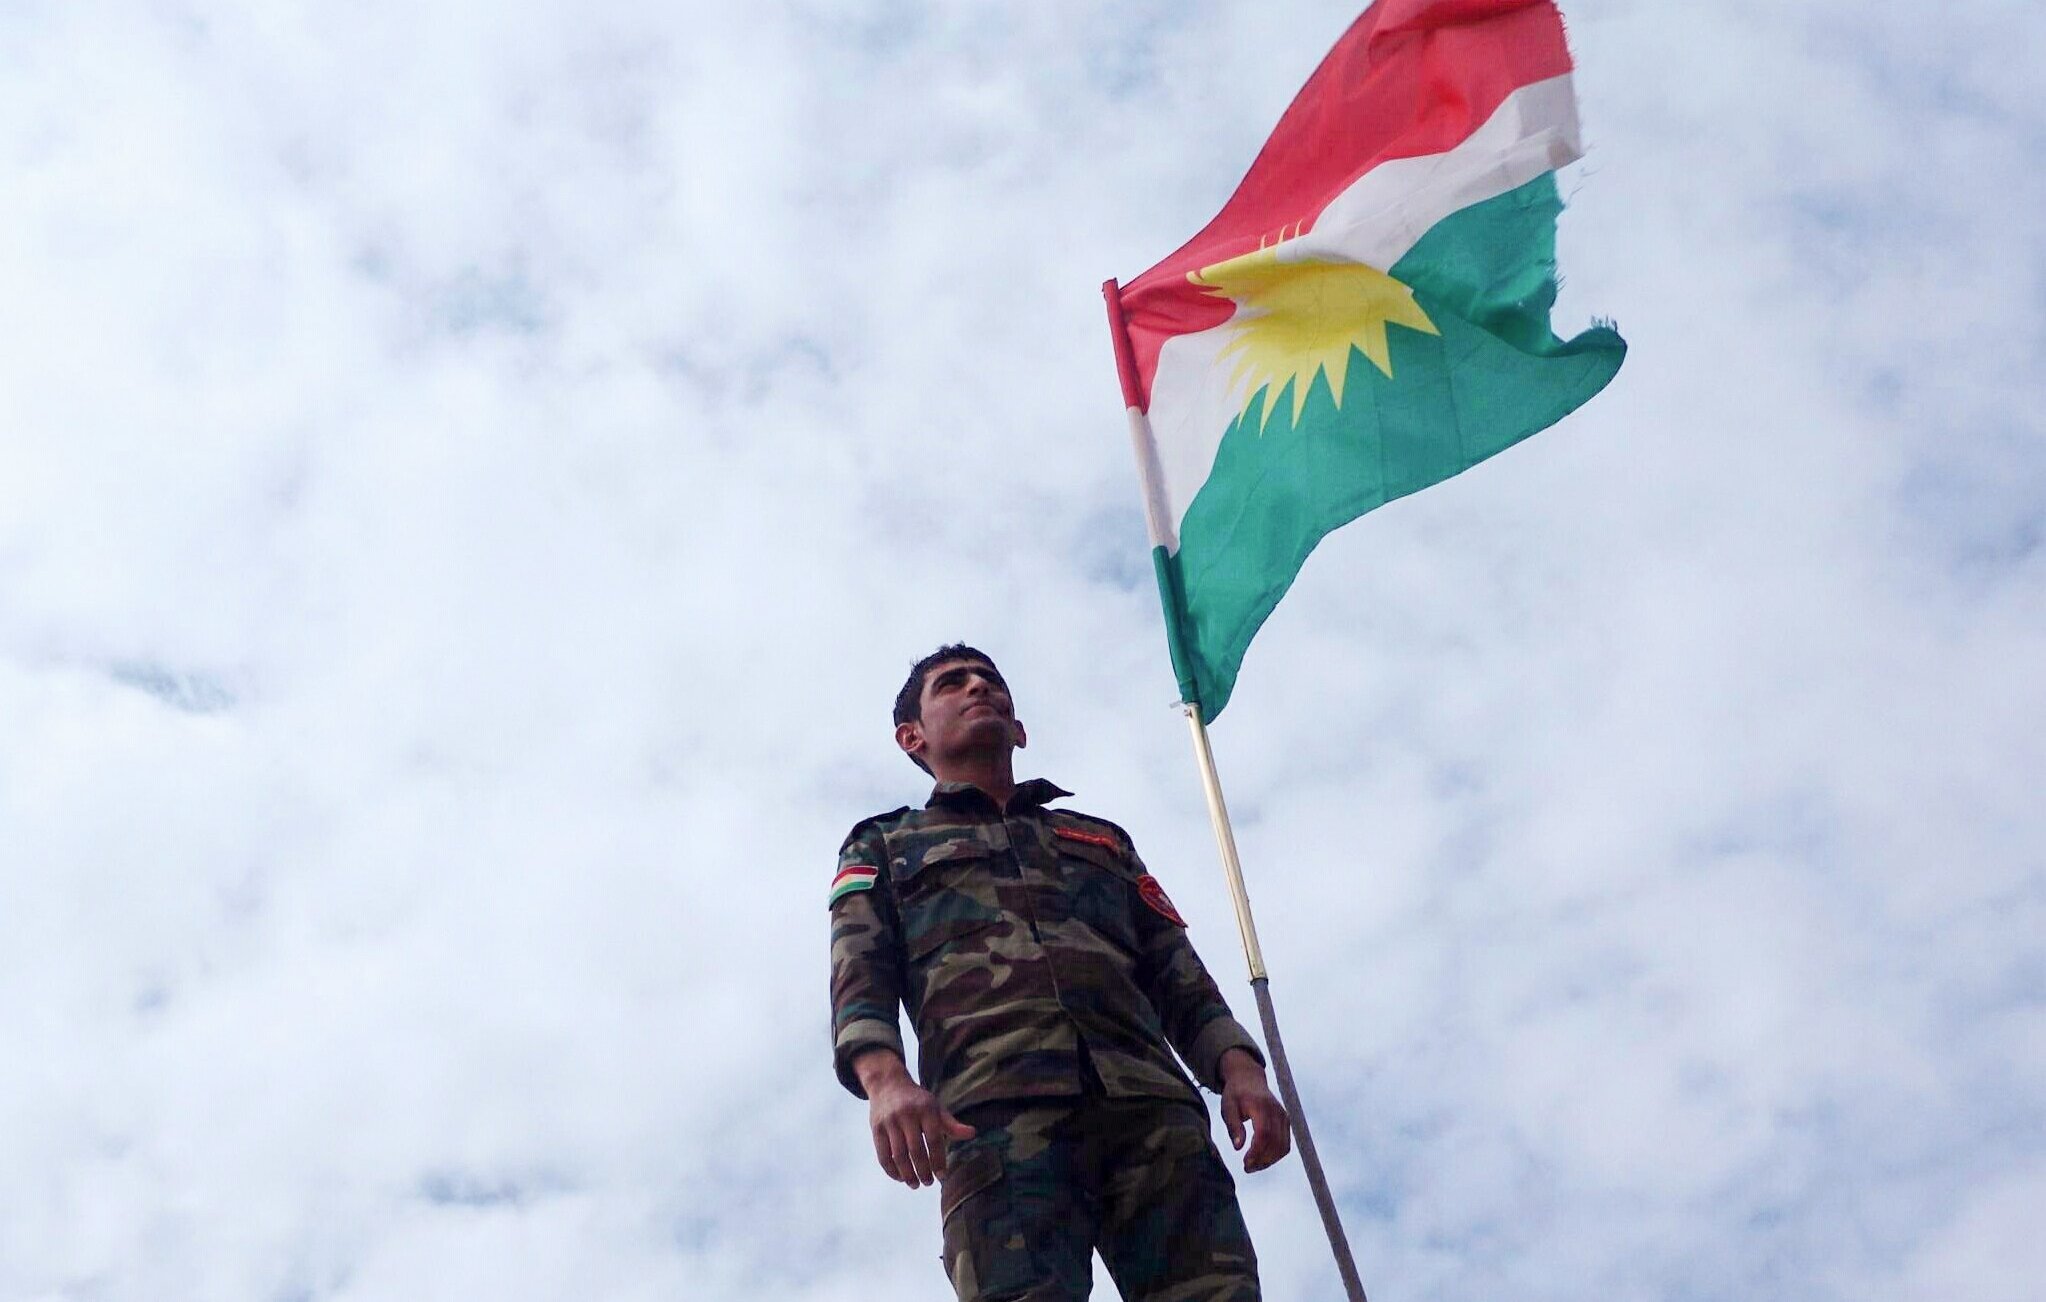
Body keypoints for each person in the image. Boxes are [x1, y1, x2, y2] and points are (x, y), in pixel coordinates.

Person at [828, 644, 1291, 1301]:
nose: (978, 688)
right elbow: (859, 968)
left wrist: (1240, 1070)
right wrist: (884, 1081)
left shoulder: (1098, 841)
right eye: (953, 684)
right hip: (995, 1117)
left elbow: (1175, 970)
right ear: (913, 736)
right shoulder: (885, 845)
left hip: (1150, 1112)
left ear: (1019, 730)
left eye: (990, 681)